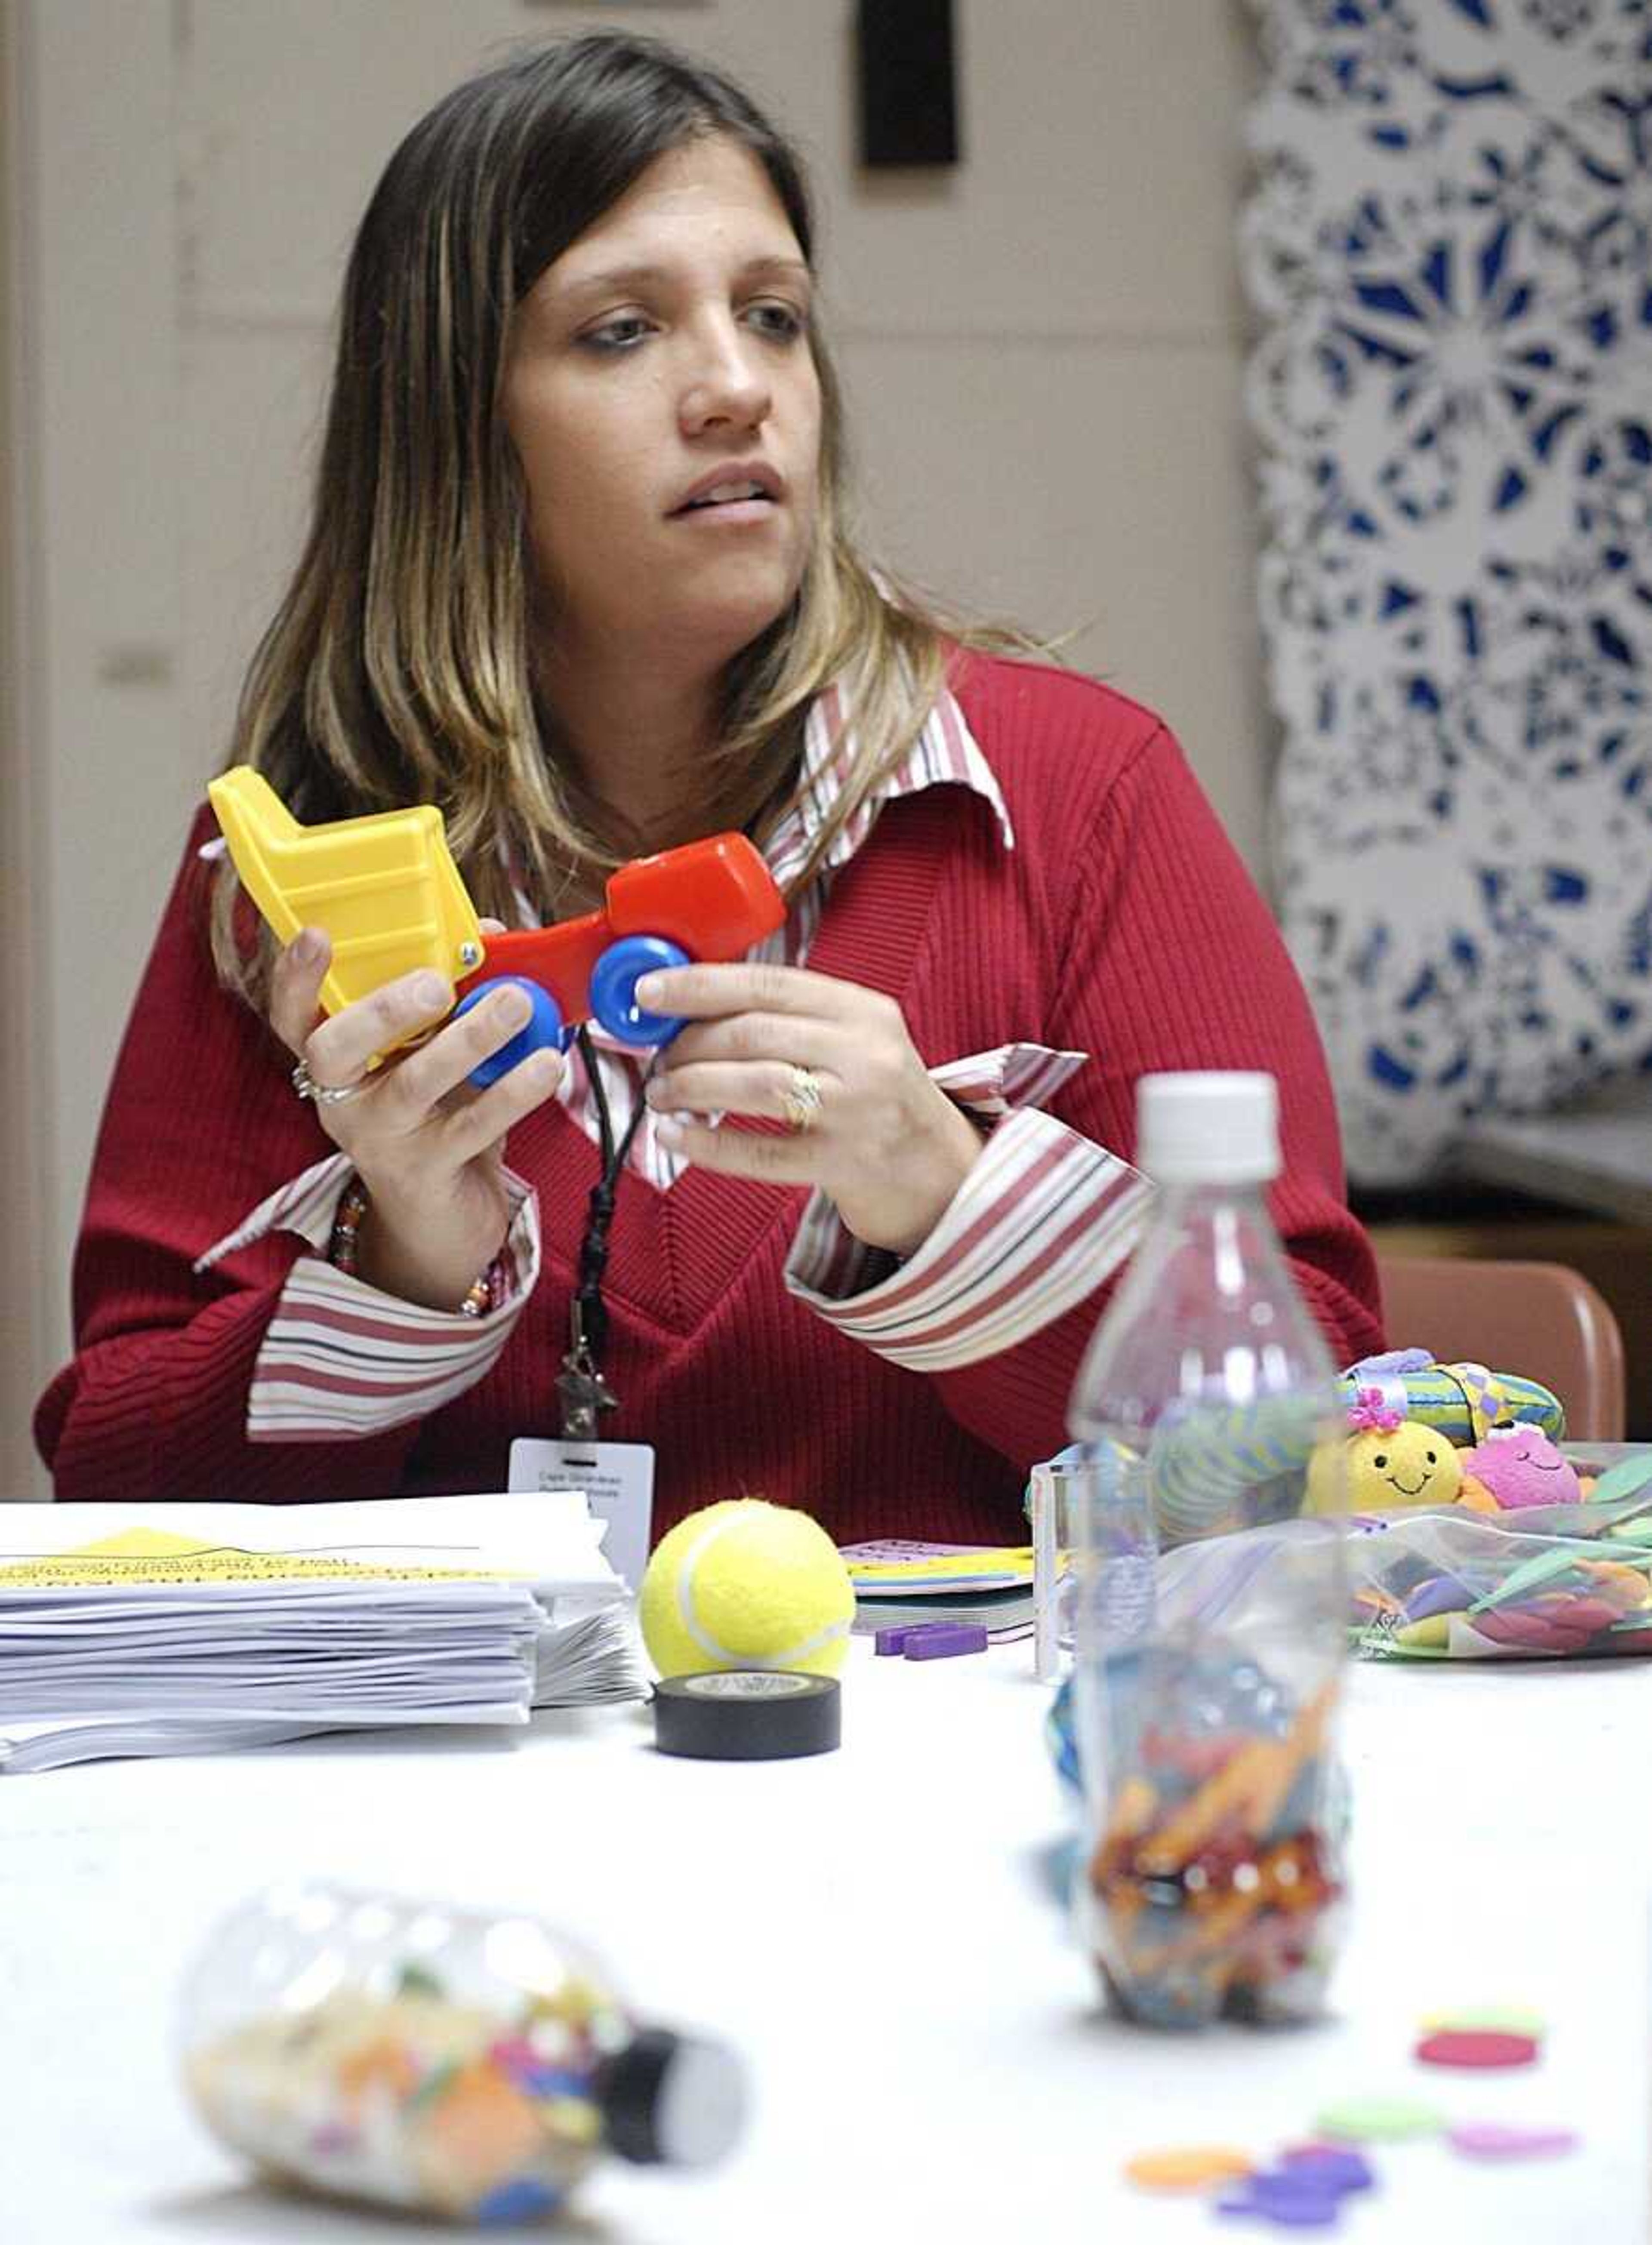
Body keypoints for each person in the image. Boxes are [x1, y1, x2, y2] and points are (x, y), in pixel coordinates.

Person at [35, 33, 1382, 1541]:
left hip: (971, 1765)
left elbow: (1322, 1446)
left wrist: (947, 1192)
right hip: (477, 1779)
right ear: (455, 427)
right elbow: (115, 1506)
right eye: (622, 332)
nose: (739, 389)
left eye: (776, 317)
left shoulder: (1083, 789)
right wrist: (404, 1265)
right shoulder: (290, 873)